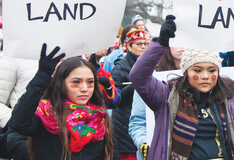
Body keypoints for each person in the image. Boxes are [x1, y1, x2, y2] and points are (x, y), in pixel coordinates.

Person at [129, 15, 234, 159]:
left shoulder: (232, 95)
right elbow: (138, 77)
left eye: (211, 70)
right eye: (197, 70)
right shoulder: (165, 96)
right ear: (186, 71)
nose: (205, 76)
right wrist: (160, 44)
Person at [9, 44, 113, 160]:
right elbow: (18, 124)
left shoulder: (100, 117)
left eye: (90, 82)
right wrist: (42, 76)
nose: (84, 88)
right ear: (61, 84)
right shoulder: (45, 114)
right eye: (76, 82)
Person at [128, 46, 184, 160]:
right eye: (176, 41)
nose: (182, 46)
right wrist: (143, 142)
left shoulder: (204, 80)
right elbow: (138, 121)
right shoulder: (149, 80)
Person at [111, 29, 150, 160]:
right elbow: (114, 98)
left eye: (146, 44)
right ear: (129, 46)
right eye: (139, 44)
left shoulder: (152, 67)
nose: (143, 47)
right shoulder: (120, 68)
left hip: (146, 126)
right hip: (124, 127)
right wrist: (135, 84)